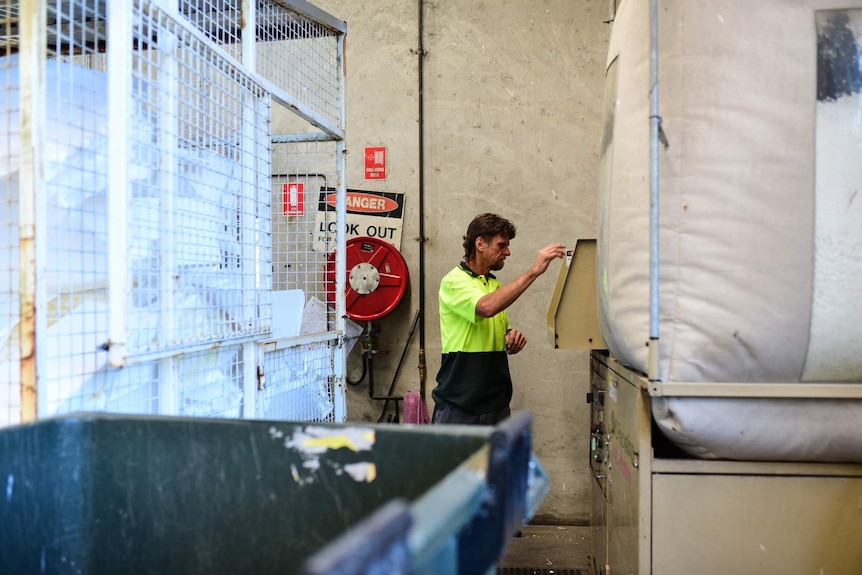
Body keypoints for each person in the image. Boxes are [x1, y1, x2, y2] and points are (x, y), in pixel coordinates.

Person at [432, 213, 566, 425]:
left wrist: (510, 336)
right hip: (460, 406)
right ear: (480, 244)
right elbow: (486, 307)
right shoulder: (454, 281)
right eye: (502, 245)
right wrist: (534, 272)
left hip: (495, 405)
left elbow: (496, 326)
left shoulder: (494, 285)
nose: (508, 252)